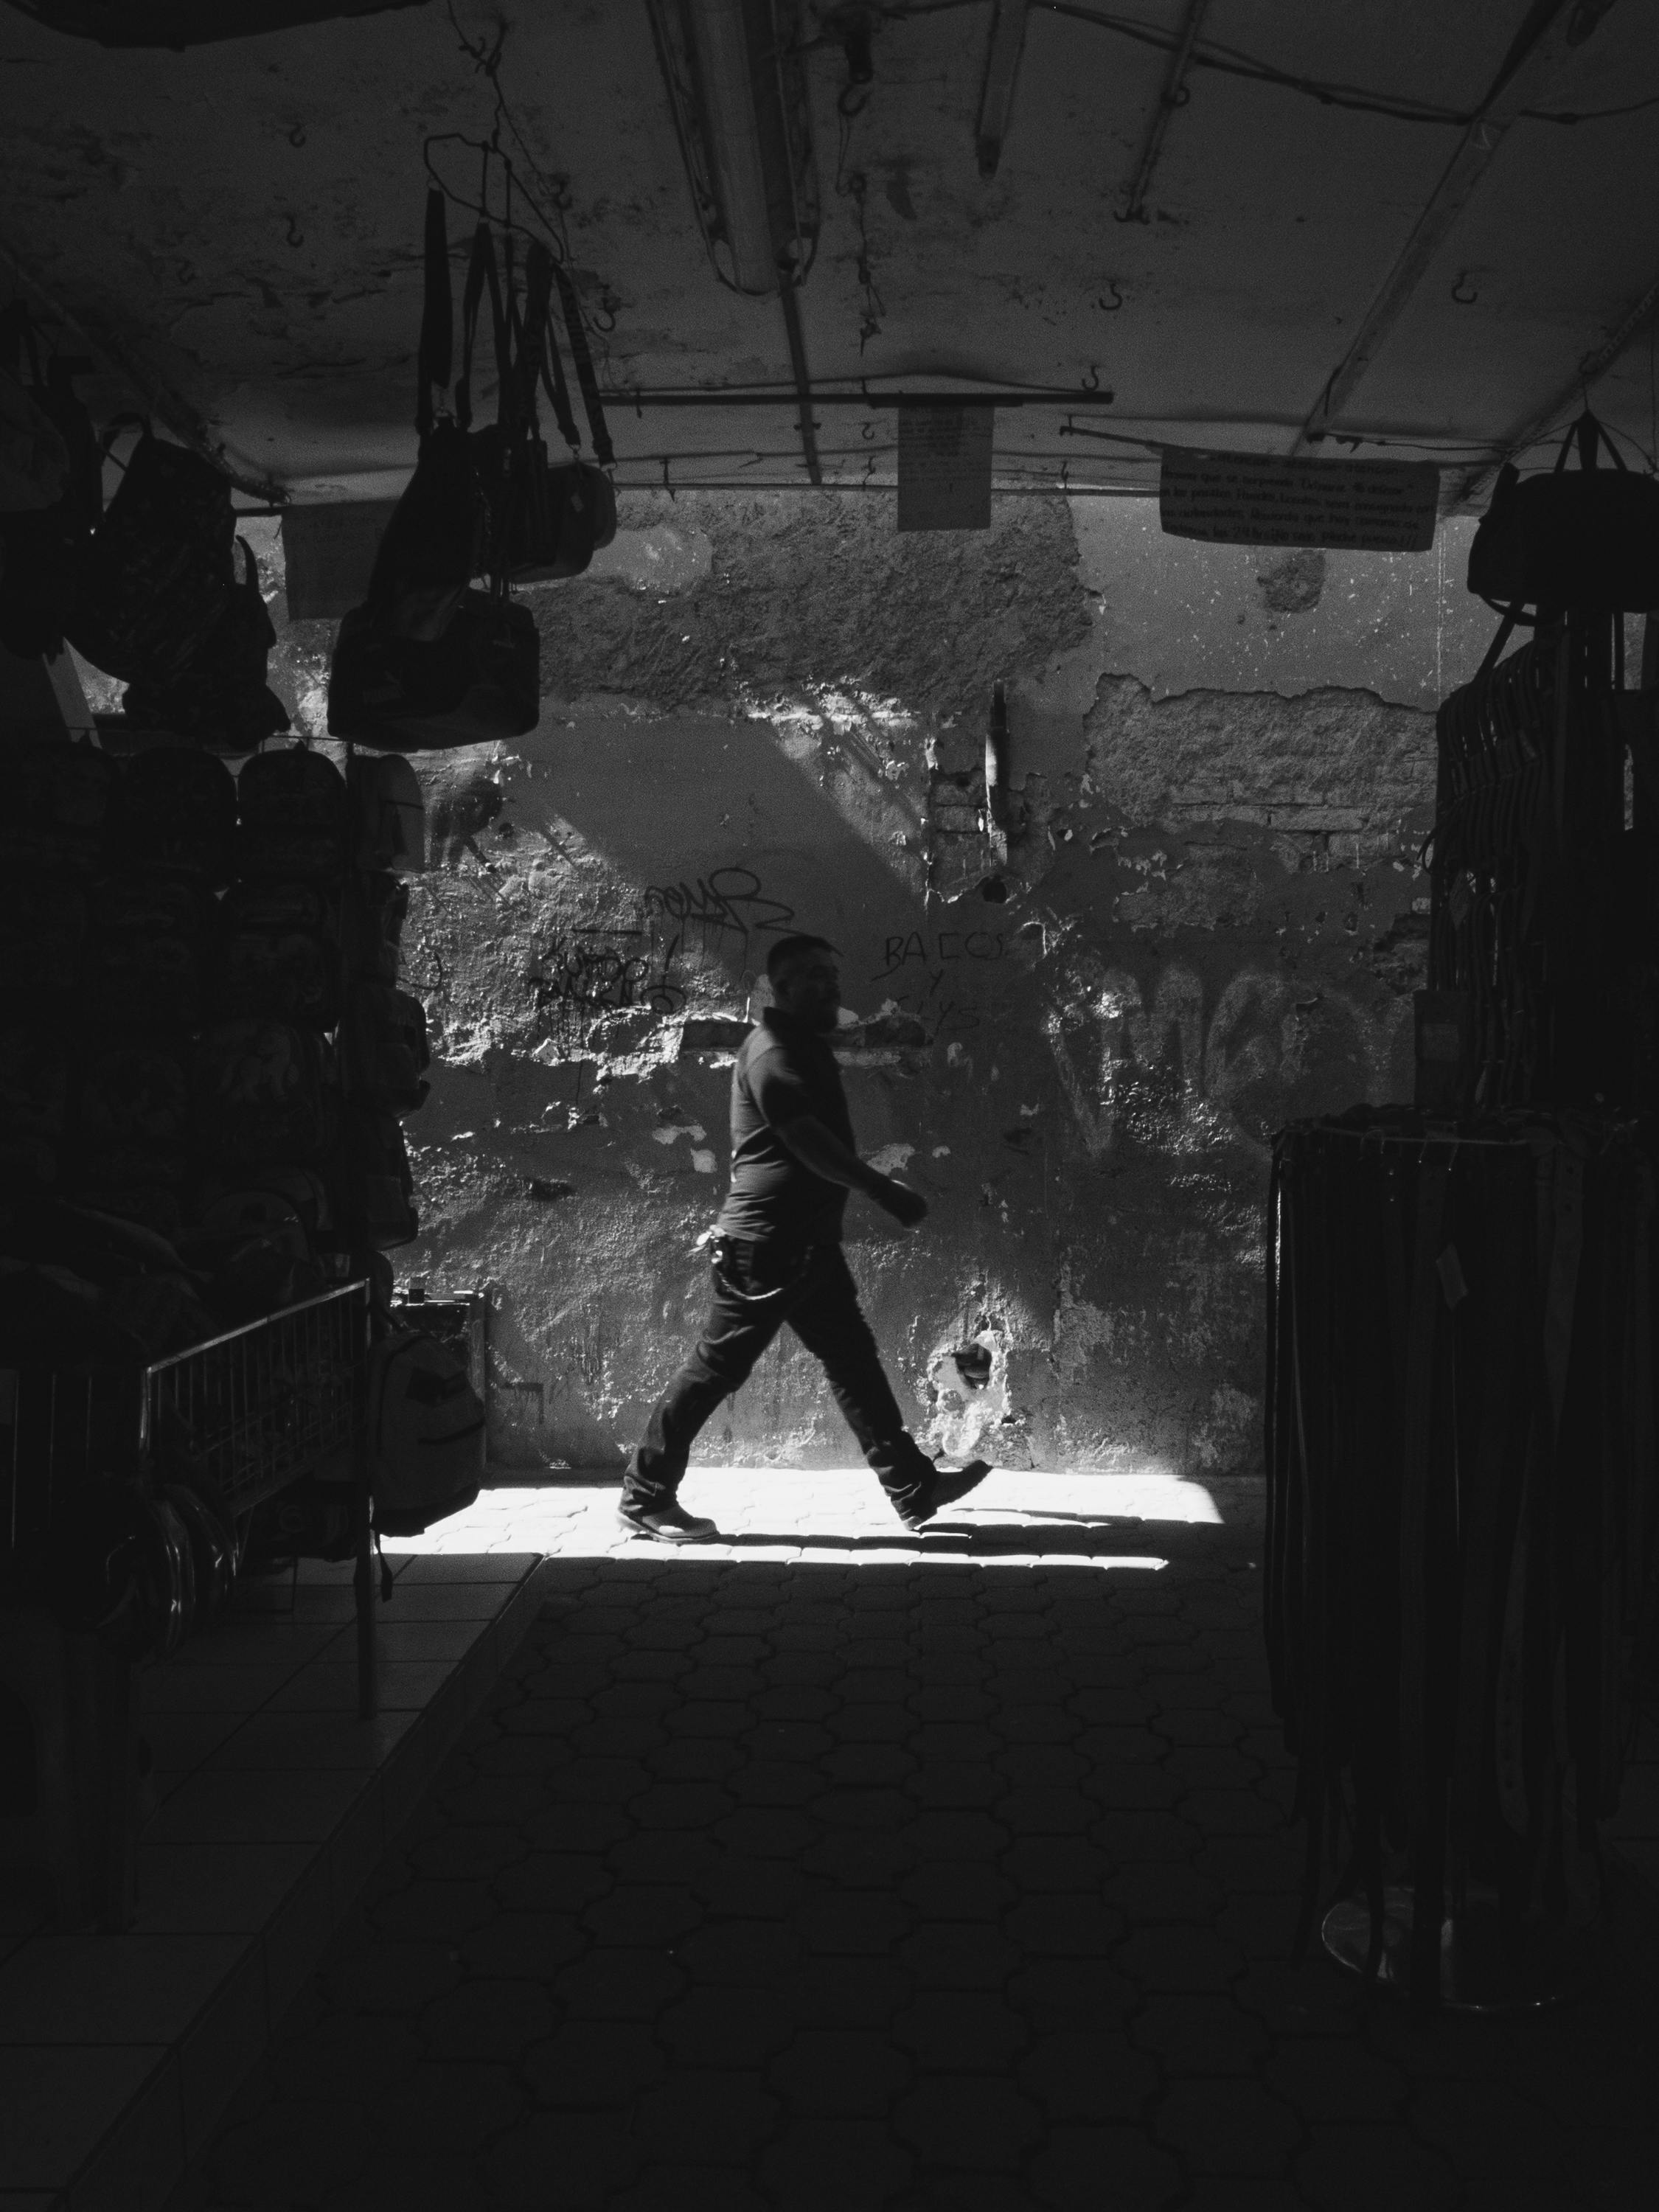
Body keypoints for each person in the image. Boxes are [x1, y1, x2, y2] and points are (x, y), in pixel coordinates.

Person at [619, 933, 991, 1542]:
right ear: (783, 989)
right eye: (814, 977)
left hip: (805, 1244)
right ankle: (645, 1495)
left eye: (832, 975)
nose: (830, 987)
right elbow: (806, 1141)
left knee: (853, 1362)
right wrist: (883, 1189)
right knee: (715, 1371)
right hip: (767, 1246)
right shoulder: (773, 1054)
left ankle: (913, 1487)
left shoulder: (799, 1046)